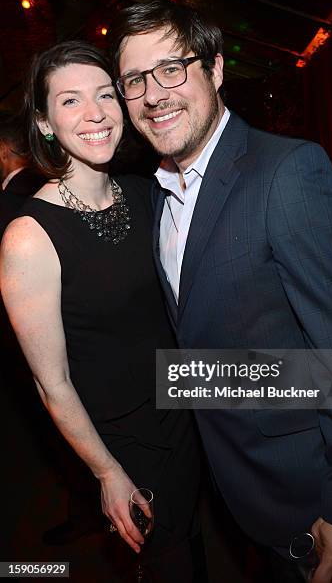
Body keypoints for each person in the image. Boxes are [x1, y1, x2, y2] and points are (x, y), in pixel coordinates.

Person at [109, 0, 332, 583]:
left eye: (171, 68)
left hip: (310, 496)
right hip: (239, 490)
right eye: (135, 80)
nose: (154, 93)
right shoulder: (158, 196)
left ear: (214, 70)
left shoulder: (288, 173)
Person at [0, 40, 202, 582]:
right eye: (70, 101)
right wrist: (107, 472)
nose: (95, 114)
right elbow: (52, 384)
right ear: (43, 123)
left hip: (185, 410)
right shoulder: (29, 237)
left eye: (106, 95)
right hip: (127, 443)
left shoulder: (144, 193)